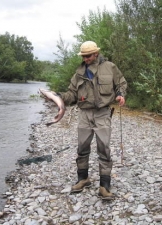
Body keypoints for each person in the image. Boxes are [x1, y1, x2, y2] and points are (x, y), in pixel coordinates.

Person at [59, 41, 127, 200]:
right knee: (82, 147)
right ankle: (83, 179)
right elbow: (71, 94)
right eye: (83, 56)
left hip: (103, 113)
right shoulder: (79, 73)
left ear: (96, 53)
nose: (86, 58)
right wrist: (59, 98)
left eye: (88, 55)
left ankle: (105, 186)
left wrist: (121, 94)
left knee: (104, 148)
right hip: (84, 114)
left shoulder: (110, 67)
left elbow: (121, 84)